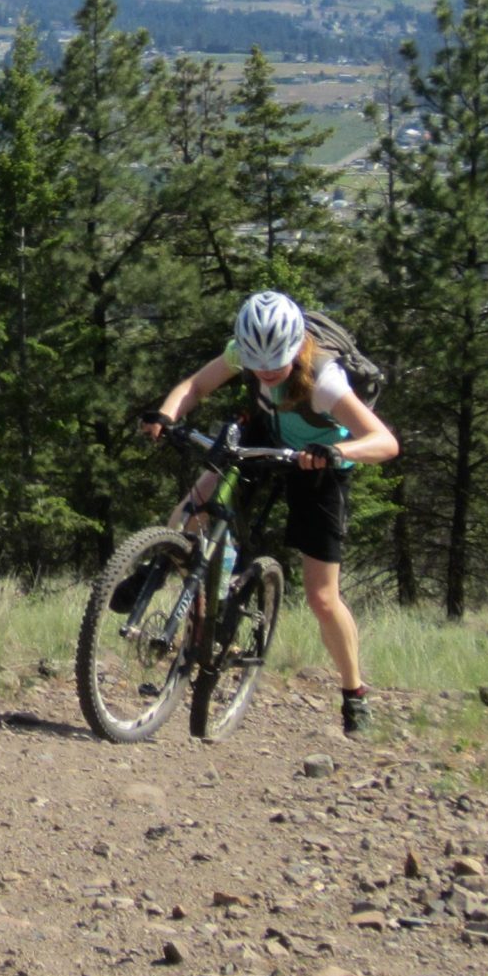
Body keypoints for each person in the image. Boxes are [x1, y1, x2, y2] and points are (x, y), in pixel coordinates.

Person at [142, 290, 397, 738]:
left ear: (297, 347)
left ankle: (354, 695)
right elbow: (196, 386)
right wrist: (166, 414)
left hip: (320, 465)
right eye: (257, 367)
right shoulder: (244, 352)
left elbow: (385, 442)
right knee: (189, 514)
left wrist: (335, 449)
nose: (264, 373)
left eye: (275, 366)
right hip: (263, 439)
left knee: (322, 597)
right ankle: (170, 583)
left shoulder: (326, 380)